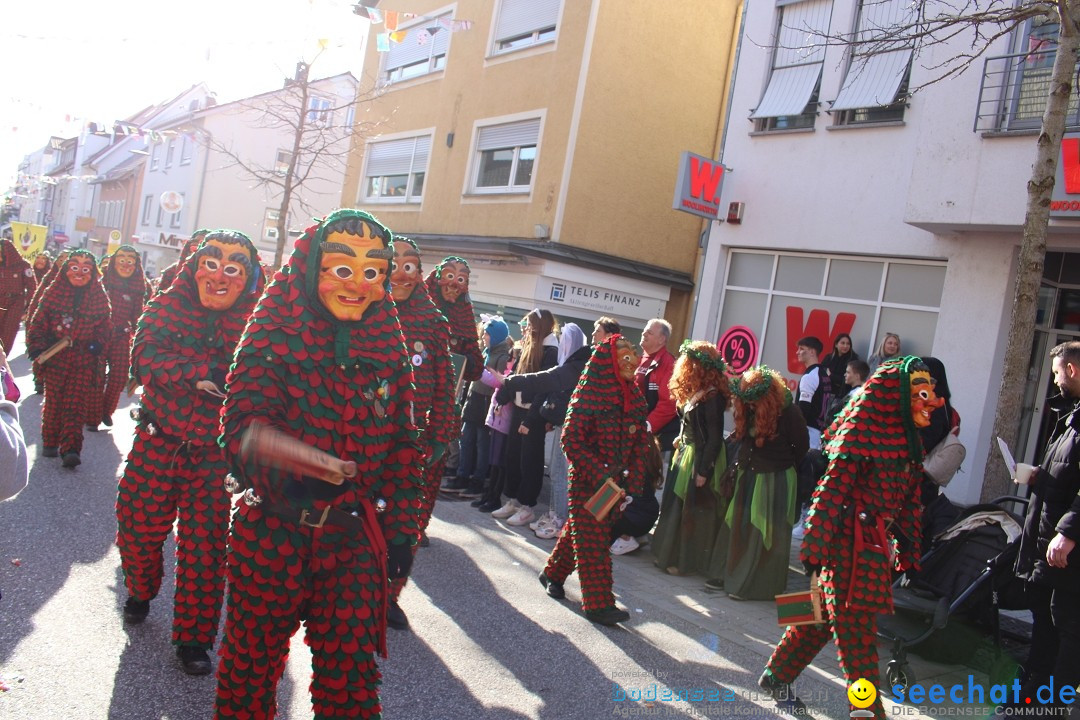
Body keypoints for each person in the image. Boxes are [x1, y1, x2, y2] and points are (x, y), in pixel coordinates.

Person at [213, 209, 421, 719]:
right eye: (342, 269)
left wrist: (400, 532)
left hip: (351, 540)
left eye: (373, 272)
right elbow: (241, 433)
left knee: (351, 683)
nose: (358, 284)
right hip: (273, 534)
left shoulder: (388, 345)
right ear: (312, 269)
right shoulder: (271, 332)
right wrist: (294, 465)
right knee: (249, 672)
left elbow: (401, 447)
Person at [115, 230, 263, 675]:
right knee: (138, 530)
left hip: (215, 459)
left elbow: (270, 378)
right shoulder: (164, 306)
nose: (221, 274)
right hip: (158, 442)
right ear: (193, 265)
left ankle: (194, 641)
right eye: (212, 262)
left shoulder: (258, 323)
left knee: (205, 551)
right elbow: (144, 359)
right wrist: (197, 373)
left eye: (235, 265)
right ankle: (141, 588)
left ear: (248, 276)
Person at [759, 357, 936, 719]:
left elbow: (907, 500)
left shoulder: (909, 438)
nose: (930, 399)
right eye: (921, 392)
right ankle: (868, 710)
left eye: (929, 391)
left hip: (872, 545)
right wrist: (815, 545)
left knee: (821, 618)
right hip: (848, 544)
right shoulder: (860, 430)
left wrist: (908, 550)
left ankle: (776, 676)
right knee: (856, 634)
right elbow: (831, 491)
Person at [538, 334, 651, 626]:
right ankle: (599, 605)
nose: (632, 363)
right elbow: (571, 440)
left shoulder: (634, 398)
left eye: (633, 356)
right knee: (594, 541)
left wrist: (633, 485)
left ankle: (552, 573)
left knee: (583, 531)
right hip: (588, 483)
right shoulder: (588, 393)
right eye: (624, 357)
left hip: (616, 485)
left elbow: (640, 444)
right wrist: (600, 473)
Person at [384, 236, 455, 631]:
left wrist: (441, 434)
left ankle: (390, 594)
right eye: (392, 264)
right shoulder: (363, 310)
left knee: (404, 526)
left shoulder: (432, 322)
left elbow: (447, 383)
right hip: (364, 441)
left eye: (409, 266)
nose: (400, 273)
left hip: (414, 443)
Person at [1007, 341, 1080, 715]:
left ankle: (1055, 703)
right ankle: (1035, 695)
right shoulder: (1071, 416)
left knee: (1065, 627)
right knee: (1045, 622)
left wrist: (1068, 532)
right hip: (1048, 540)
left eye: (1055, 373)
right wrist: (1040, 476)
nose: (1054, 380)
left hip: (1067, 551)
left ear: (1072, 370)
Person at [721, 365, 808, 600]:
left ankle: (757, 586)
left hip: (775, 479)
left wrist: (779, 464)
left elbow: (801, 447)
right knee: (743, 530)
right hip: (749, 475)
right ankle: (736, 578)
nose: (748, 405)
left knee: (763, 534)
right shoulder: (746, 408)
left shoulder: (789, 413)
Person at [495, 322, 590, 537]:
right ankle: (555, 514)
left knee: (560, 474)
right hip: (561, 423)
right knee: (556, 472)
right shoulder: (574, 363)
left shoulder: (578, 364)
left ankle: (560, 519)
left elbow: (546, 380)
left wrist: (511, 382)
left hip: (573, 427)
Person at [25, 250, 111, 468]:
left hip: (83, 358)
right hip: (56, 356)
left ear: (93, 273)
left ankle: (71, 448)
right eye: (75, 267)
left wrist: (96, 344)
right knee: (54, 401)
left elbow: (104, 326)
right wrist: (37, 348)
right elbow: (38, 323)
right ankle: (51, 441)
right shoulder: (53, 292)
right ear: (65, 270)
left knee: (75, 403)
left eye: (86, 268)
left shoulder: (99, 296)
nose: (80, 273)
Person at [651, 341, 731, 571]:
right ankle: (668, 554)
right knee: (676, 505)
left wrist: (704, 471)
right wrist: (679, 437)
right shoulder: (697, 391)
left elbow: (715, 438)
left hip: (700, 458)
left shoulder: (713, 396)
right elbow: (689, 422)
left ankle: (682, 562)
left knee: (689, 510)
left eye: (691, 363)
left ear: (702, 367)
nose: (687, 366)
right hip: (685, 452)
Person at [492, 308, 559, 527]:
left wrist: (531, 420)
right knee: (513, 456)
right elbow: (515, 376)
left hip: (534, 414)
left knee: (529, 460)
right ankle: (513, 499)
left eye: (530, 325)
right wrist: (501, 399)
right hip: (519, 409)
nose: (527, 329)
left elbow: (544, 387)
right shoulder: (527, 346)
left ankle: (527, 505)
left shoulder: (551, 350)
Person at [450, 318, 510, 498]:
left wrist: (478, 371)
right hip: (473, 400)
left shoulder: (503, 356)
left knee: (482, 445)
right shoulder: (485, 352)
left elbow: (498, 382)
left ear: (496, 335)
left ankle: (477, 480)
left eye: (487, 333)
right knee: (466, 440)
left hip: (485, 403)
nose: (484, 336)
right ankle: (462, 476)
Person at [98, 246, 150, 428]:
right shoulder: (101, 280)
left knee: (119, 376)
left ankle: (106, 411)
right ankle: (92, 411)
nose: (126, 264)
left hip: (122, 336)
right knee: (95, 376)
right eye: (121, 259)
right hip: (98, 335)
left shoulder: (139, 286)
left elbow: (138, 316)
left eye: (130, 260)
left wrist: (143, 337)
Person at [635, 318, 679, 455]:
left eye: (649, 332)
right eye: (644, 331)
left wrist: (647, 426)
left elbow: (668, 404)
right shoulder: (639, 359)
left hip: (658, 439)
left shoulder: (669, 364)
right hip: (636, 433)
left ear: (661, 339)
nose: (644, 334)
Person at [0, 235, 37, 355]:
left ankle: (1, 360)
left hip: (15, 303)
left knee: (8, 334)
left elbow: (32, 287)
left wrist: (28, 309)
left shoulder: (23, 266)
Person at [154, 229, 208, 298]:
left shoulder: (216, 275)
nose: (199, 245)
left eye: (204, 243)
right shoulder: (171, 272)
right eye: (195, 241)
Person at [820, 332, 858, 397]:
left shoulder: (853, 361)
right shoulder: (829, 358)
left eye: (848, 344)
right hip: (825, 393)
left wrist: (831, 376)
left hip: (841, 396)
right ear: (836, 344)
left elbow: (848, 381)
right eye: (842, 343)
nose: (845, 346)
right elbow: (821, 374)